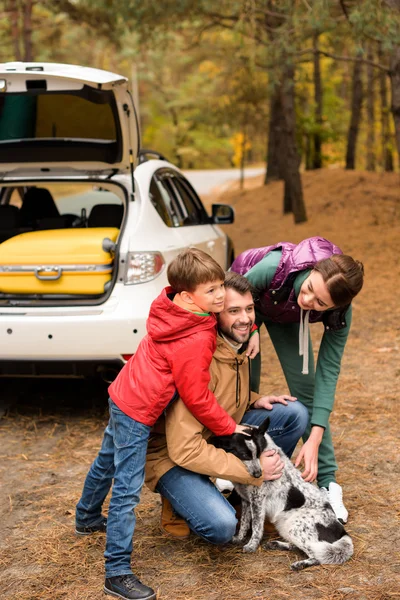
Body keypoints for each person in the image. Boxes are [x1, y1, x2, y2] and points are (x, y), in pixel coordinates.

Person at [75, 249, 255, 600]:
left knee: (106, 460)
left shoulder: (171, 307)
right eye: (212, 291)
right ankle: (116, 572)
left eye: (221, 286)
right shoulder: (196, 337)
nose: (220, 296)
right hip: (139, 410)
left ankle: (85, 516)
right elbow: (197, 396)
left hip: (123, 392)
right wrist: (228, 428)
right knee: (126, 487)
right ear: (189, 295)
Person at [145, 271, 309, 543]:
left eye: (249, 309)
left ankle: (243, 499)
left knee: (292, 414)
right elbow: (184, 447)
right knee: (221, 528)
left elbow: (220, 397)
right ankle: (174, 502)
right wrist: (252, 471)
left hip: (215, 435)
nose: (244, 319)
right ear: (216, 313)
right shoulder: (199, 356)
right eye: (233, 310)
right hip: (174, 455)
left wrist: (252, 399)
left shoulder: (237, 345)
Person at [230, 236, 364, 523]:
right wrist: (251, 327)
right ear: (314, 269)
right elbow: (237, 297)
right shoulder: (274, 267)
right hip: (247, 303)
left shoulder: (340, 310)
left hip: (287, 316)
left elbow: (329, 370)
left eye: (320, 303)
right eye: (310, 289)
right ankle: (231, 461)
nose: (309, 300)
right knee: (245, 382)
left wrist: (314, 437)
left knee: (307, 392)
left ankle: (328, 482)